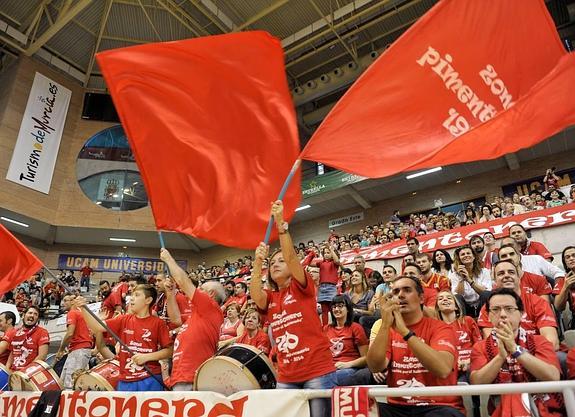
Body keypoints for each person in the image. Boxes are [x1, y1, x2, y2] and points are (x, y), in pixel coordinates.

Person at [250, 201, 336, 417]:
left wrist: (280, 225)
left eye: (280, 261)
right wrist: (258, 263)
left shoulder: (301, 287)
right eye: (273, 263)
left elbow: (290, 257)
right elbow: (255, 295)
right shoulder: (270, 297)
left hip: (317, 372)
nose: (276, 264)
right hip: (287, 377)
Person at [367, 275, 465, 417]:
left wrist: (405, 332)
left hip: (439, 406)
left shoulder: (441, 328)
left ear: (421, 298)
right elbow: (375, 366)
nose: (400, 295)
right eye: (395, 292)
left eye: (407, 290)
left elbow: (443, 369)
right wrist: (384, 325)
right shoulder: (389, 330)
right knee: (360, 408)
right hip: (398, 407)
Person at [470, 288, 562, 417]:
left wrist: (515, 349)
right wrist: (500, 357)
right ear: (489, 316)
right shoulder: (480, 347)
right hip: (501, 408)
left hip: (541, 406)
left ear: (521, 314)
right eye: (495, 310)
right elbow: (476, 383)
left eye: (509, 309)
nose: (502, 314)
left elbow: (553, 376)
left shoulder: (539, 341)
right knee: (511, 396)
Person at [77, 284, 173, 391]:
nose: (132, 298)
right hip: (125, 379)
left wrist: (147, 357)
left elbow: (169, 351)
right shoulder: (123, 319)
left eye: (137, 295)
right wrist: (83, 308)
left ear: (148, 300)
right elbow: (96, 327)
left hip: (150, 377)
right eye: (131, 295)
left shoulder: (158, 323)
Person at [160, 249, 225, 390]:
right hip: (181, 375)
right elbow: (175, 318)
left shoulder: (210, 307)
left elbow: (183, 282)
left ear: (211, 294)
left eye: (201, 289)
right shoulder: (196, 316)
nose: (197, 291)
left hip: (194, 376)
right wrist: (170, 295)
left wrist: (168, 259)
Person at [476, 260, 559, 350]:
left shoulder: (538, 302)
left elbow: (552, 343)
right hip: (503, 358)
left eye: (511, 272)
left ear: (519, 277)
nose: (506, 275)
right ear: (495, 281)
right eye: (501, 273)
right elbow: (492, 346)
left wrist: (523, 357)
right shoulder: (488, 308)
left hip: (538, 355)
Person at [435, 291, 481, 380]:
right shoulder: (435, 327)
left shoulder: (467, 321)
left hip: (470, 365)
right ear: (438, 308)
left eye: (449, 298)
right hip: (449, 367)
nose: (445, 299)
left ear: (456, 306)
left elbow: (479, 347)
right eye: (440, 299)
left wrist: (469, 361)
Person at [324, 294, 369, 386]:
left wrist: (348, 364)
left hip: (349, 368)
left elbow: (366, 358)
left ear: (348, 309)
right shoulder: (326, 329)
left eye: (340, 306)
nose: (336, 309)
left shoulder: (356, 328)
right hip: (329, 368)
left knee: (332, 378)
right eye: (334, 307)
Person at [56, 293, 93, 389]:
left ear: (72, 301)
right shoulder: (81, 314)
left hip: (79, 350)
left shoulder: (72, 313)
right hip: (80, 350)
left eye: (65, 300)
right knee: (67, 382)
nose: (62, 303)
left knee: (70, 384)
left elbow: (69, 334)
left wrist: (61, 349)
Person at [449, 246, 492, 317]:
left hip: (481, 304)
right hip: (466, 307)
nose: (466, 255)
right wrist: (461, 279)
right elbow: (457, 295)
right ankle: (463, 323)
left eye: (468, 253)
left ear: (474, 257)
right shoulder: (454, 275)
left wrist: (469, 280)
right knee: (457, 297)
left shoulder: (484, 272)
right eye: (463, 254)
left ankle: (486, 320)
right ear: (459, 259)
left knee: (486, 294)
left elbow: (486, 292)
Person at [6, 306, 49, 371]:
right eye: (30, 313)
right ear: (23, 315)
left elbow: (42, 356)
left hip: (29, 374)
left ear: (37, 319)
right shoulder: (15, 332)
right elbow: (13, 352)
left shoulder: (42, 332)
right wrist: (7, 369)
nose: (32, 315)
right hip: (13, 373)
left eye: (35, 314)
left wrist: (26, 372)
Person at [552, 245, 575, 328]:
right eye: (567, 257)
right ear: (565, 262)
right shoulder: (563, 280)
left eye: (574, 255)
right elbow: (558, 307)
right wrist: (566, 287)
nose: (571, 258)